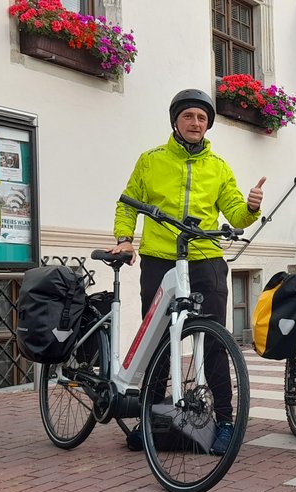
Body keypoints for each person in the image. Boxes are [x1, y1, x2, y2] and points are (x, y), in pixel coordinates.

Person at [108, 88, 265, 455]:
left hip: (205, 258)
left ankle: (224, 422)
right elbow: (127, 203)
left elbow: (235, 215)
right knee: (157, 342)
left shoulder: (218, 167)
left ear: (207, 125)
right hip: (160, 259)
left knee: (214, 342)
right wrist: (125, 240)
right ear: (175, 121)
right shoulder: (151, 161)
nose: (196, 123)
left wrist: (251, 207)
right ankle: (152, 419)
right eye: (189, 116)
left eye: (202, 118)